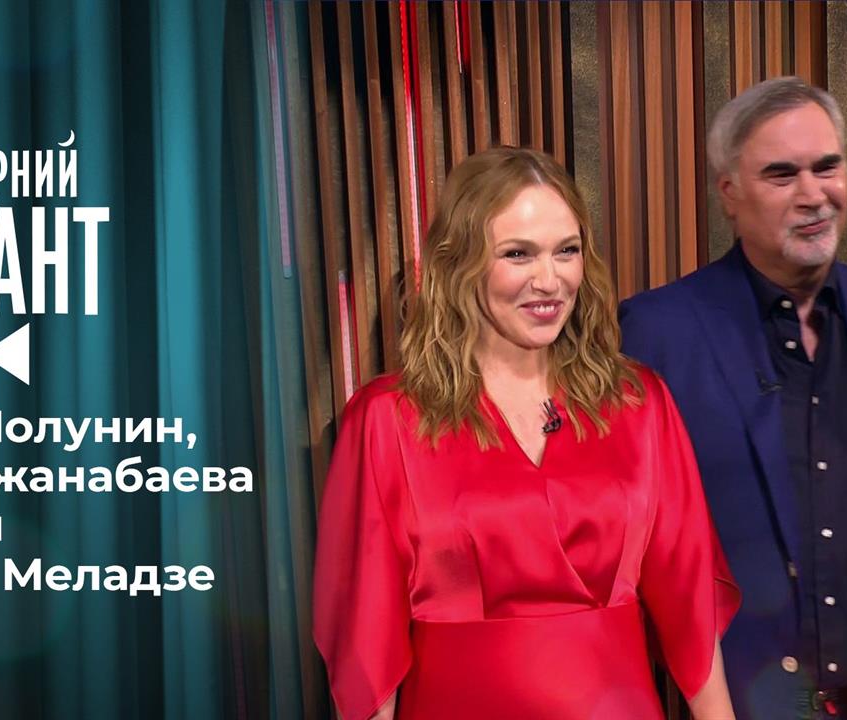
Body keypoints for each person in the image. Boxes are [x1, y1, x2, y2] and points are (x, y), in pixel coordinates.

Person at [313, 146, 740, 720]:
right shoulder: (388, 418)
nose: (549, 280)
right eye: (518, 254)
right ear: (459, 263)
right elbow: (368, 643)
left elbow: (691, 607)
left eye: (567, 251)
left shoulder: (639, 403)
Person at [620, 76, 847, 720]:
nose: (813, 194)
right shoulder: (657, 333)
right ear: (729, 194)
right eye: (781, 174)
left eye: (827, 167)